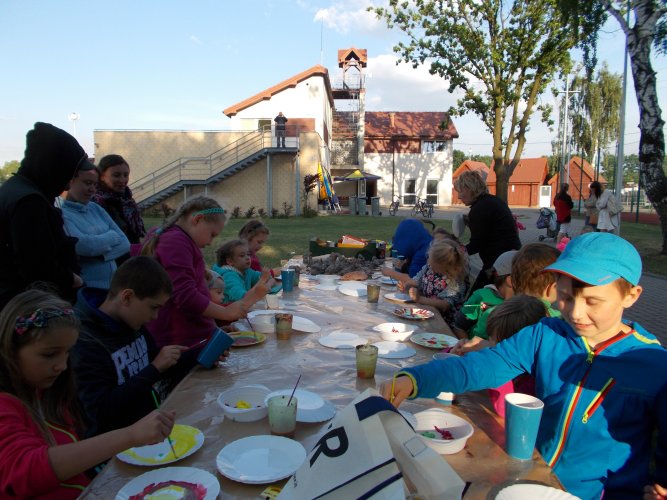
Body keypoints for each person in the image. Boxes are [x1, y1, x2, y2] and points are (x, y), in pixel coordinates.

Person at [380, 232, 667, 500]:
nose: (576, 313)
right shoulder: (545, 334)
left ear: (631, 295)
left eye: (593, 301)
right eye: (566, 297)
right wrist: (414, 379)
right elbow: (480, 366)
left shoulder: (655, 365)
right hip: (537, 482)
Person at [0, 289, 175, 498]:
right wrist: (131, 435)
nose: (62, 366)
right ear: (10, 348)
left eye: (67, 352)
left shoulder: (47, 393)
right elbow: (26, 470)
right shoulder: (5, 406)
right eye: (49, 354)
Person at [72, 257, 196, 438]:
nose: (155, 316)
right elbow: (100, 411)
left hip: (150, 428)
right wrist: (154, 369)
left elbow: (155, 360)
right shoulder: (85, 341)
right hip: (119, 443)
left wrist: (202, 354)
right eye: (153, 307)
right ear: (127, 297)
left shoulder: (130, 320)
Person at [141, 196, 270, 347]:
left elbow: (198, 294)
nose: (210, 242)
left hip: (193, 336)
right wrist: (226, 313)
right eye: (212, 234)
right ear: (197, 220)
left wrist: (213, 329)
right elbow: (185, 296)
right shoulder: (176, 242)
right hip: (179, 342)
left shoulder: (184, 241)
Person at [0, 122, 90, 308]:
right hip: (29, 307)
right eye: (69, 174)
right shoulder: (29, 202)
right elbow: (36, 266)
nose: (68, 184)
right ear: (54, 167)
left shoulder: (14, 189)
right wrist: (72, 279)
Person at [61, 166, 130, 289]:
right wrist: (111, 236)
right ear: (71, 181)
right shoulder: (62, 213)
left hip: (112, 288)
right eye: (87, 183)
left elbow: (125, 244)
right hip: (86, 291)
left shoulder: (96, 208)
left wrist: (96, 255)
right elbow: (82, 245)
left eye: (95, 185)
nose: (92, 189)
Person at [453, 170, 521, 292]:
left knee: (476, 298)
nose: (459, 196)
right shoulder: (492, 201)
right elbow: (490, 229)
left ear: (469, 189)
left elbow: (476, 245)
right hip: (511, 258)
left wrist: (454, 252)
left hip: (500, 264)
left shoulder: (479, 208)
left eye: (460, 191)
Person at [483, 295, 548, 417]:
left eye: (497, 343)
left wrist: (494, 361)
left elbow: (506, 410)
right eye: (490, 338)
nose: (490, 344)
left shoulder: (533, 378)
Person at [394, 239, 469, 326]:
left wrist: (419, 299)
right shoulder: (429, 268)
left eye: (433, 265)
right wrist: (406, 285)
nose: (429, 264)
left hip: (443, 322)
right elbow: (416, 280)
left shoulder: (456, 280)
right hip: (425, 312)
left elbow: (445, 304)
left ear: (444, 265)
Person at [451, 249, 517, 340]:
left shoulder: (526, 305)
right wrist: (467, 346)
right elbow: (459, 327)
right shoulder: (482, 296)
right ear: (511, 280)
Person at [92, 154, 146, 246]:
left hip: (132, 250)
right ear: (102, 176)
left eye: (126, 175)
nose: (122, 180)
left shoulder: (127, 199)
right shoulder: (96, 203)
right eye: (116, 175)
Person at [213, 240, 278, 303]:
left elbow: (271, 279)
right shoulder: (228, 277)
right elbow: (244, 299)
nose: (247, 258)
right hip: (230, 309)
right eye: (242, 255)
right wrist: (263, 280)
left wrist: (267, 285)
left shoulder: (246, 271)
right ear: (230, 261)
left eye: (248, 254)